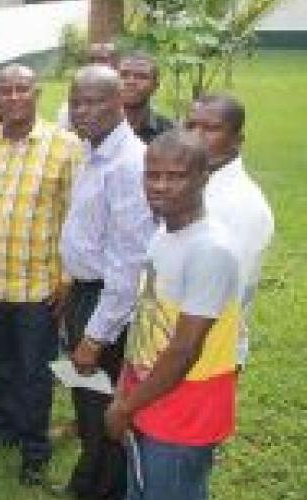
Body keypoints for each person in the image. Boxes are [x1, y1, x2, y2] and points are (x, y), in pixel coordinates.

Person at [105, 129, 243, 500]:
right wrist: (124, 388)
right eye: (152, 175)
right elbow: (146, 320)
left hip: (185, 410)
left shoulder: (210, 250)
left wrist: (125, 407)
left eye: (176, 176)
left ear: (204, 178)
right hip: (149, 395)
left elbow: (184, 350)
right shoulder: (165, 233)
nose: (161, 186)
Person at [0, 64, 83, 487]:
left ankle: (35, 449)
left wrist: (67, 278)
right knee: (0, 364)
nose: (14, 97)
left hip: (39, 287)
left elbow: (76, 218)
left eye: (22, 89)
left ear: (37, 94)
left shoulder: (66, 147)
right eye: (6, 91)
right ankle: (5, 430)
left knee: (34, 372)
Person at [60, 65, 156, 500]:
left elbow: (129, 264)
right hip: (84, 291)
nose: (82, 111)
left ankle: (106, 488)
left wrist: (95, 337)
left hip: (108, 301)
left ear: (119, 103)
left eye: (94, 101)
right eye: (76, 102)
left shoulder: (128, 164)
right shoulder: (93, 150)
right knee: (87, 401)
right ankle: (90, 480)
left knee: (104, 403)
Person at [186, 94, 274, 366]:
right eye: (190, 126)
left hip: (207, 352)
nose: (196, 137)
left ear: (237, 140)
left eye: (210, 129)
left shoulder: (241, 205)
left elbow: (224, 297)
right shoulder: (197, 183)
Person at [119, 52, 174, 144]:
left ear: (155, 86)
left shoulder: (169, 132)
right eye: (124, 75)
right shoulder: (99, 127)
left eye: (141, 77)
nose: (131, 82)